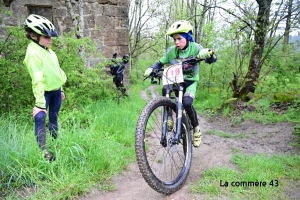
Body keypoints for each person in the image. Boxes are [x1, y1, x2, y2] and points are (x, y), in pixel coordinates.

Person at [144, 20, 217, 148]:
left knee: (187, 103)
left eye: (179, 38)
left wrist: (209, 54)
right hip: (175, 80)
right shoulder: (171, 51)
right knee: (165, 89)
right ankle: (170, 117)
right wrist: (151, 68)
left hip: (190, 81)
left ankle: (196, 129)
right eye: (174, 39)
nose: (176, 42)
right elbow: (160, 63)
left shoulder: (196, 47)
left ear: (188, 37)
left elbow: (212, 59)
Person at [23, 14, 67, 161]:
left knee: (54, 118)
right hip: (44, 93)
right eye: (46, 36)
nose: (50, 39)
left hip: (55, 91)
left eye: (50, 36)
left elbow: (56, 70)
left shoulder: (49, 50)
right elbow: (37, 80)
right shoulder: (33, 54)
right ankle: (44, 152)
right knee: (40, 117)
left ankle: (55, 143)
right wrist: (39, 104)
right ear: (34, 35)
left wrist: (60, 88)